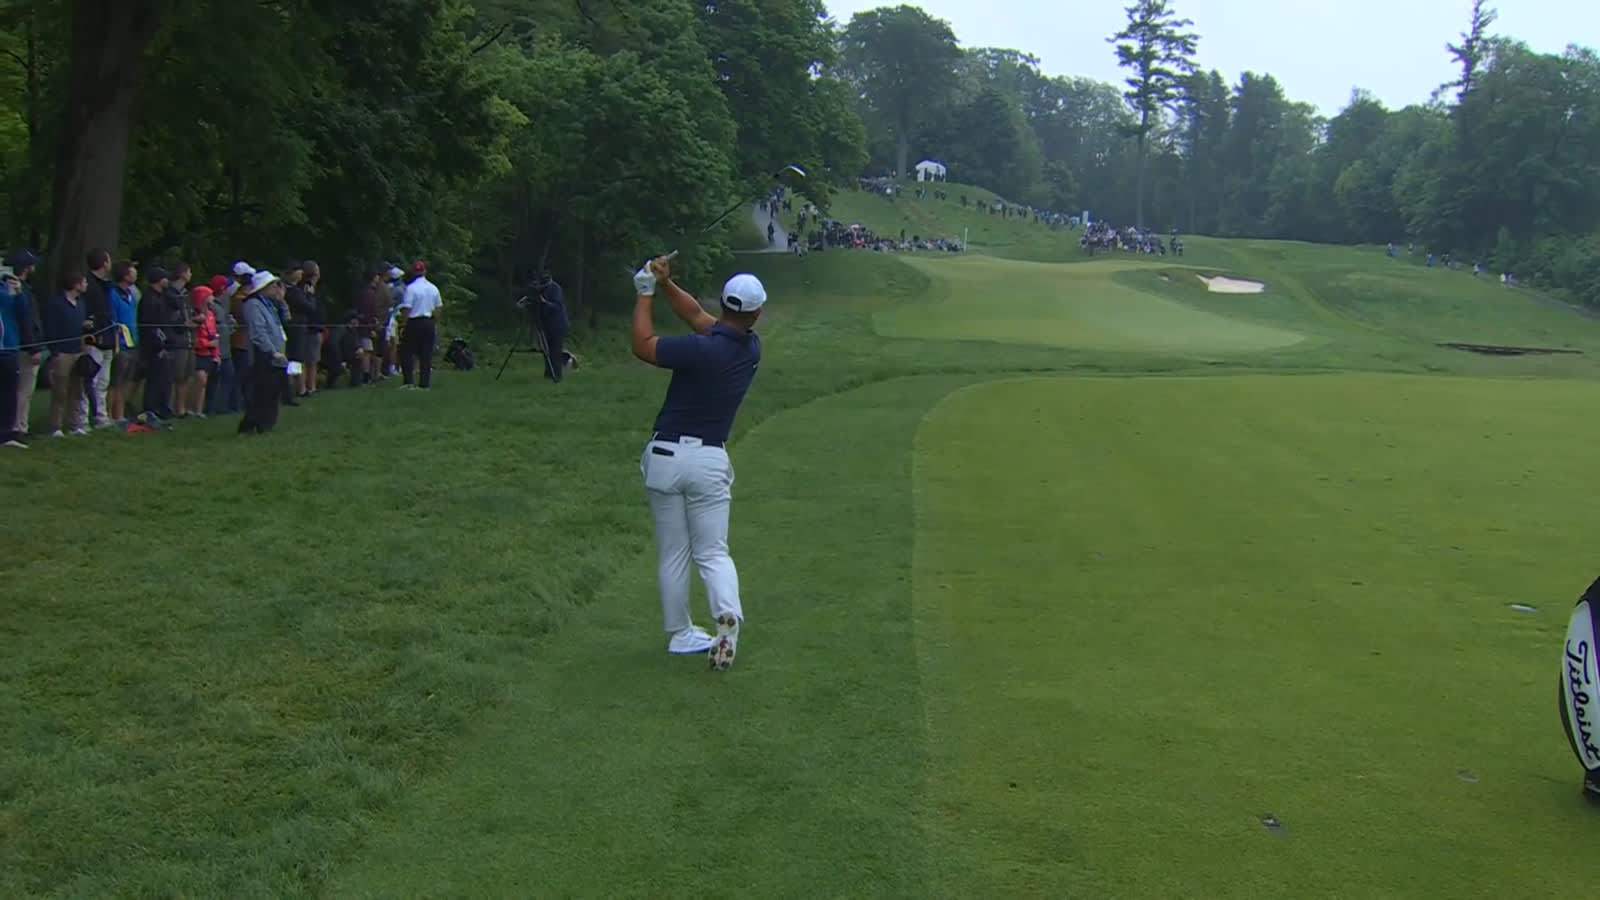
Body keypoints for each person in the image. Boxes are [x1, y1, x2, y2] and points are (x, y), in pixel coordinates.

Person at [629, 256, 765, 670]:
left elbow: (643, 345)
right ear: (757, 313)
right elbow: (694, 315)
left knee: (673, 551)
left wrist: (645, 293)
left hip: (664, 457)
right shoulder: (750, 348)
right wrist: (666, 283)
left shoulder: (698, 347)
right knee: (713, 552)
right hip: (708, 460)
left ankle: (680, 634)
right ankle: (727, 615)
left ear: (722, 303)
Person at [238, 271, 288, 434]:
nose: (276, 288)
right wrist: (272, 351)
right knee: (262, 392)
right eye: (273, 285)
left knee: (273, 392)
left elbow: (286, 320)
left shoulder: (270, 304)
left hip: (276, 352)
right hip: (263, 354)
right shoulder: (253, 305)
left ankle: (266, 425)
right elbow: (258, 331)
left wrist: (281, 301)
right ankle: (252, 425)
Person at [43, 271, 90, 437]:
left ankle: (74, 424)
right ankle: (55, 426)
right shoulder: (56, 304)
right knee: (60, 391)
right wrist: (54, 351)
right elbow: (51, 328)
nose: (86, 285)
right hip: (62, 352)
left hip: (78, 351)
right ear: (76, 284)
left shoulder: (81, 304)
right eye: (84, 282)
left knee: (77, 390)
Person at [2, 250, 40, 445]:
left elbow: (24, 314)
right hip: (8, 345)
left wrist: (18, 294)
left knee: (11, 392)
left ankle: (8, 433)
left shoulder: (14, 290)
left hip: (10, 347)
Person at [78, 248, 116, 429]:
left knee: (103, 381)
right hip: (94, 338)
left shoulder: (106, 285)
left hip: (107, 337)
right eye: (109, 260)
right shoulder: (89, 285)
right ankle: (82, 419)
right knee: (90, 380)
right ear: (104, 263)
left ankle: (101, 416)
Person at [397, 259, 442, 390]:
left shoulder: (411, 288)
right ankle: (424, 384)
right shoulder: (433, 288)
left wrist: (403, 324)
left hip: (414, 322)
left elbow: (407, 308)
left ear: (413, 272)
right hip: (428, 321)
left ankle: (408, 382)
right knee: (426, 354)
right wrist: (435, 321)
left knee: (407, 352)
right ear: (424, 271)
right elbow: (439, 307)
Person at [105, 260, 140, 424]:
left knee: (124, 381)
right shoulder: (113, 294)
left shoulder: (131, 295)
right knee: (115, 382)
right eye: (133, 270)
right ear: (125, 275)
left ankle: (119, 414)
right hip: (120, 343)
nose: (136, 273)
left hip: (132, 342)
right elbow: (113, 319)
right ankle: (107, 415)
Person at [533, 272, 570, 382]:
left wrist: (544, 302)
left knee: (555, 350)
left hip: (557, 324)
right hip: (546, 324)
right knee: (546, 349)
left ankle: (557, 374)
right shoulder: (540, 289)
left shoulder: (555, 288)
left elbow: (557, 306)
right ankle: (549, 373)